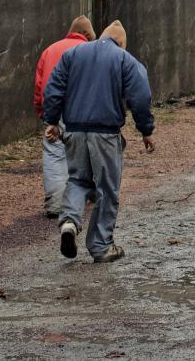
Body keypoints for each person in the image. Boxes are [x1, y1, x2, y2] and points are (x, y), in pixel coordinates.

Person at [43, 20, 155, 264]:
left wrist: (51, 120)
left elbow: (53, 87)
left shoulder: (73, 54)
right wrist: (146, 130)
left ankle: (70, 222)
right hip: (105, 134)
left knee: (77, 180)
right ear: (121, 42)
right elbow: (141, 94)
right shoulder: (124, 59)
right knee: (107, 189)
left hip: (73, 130)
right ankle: (101, 246)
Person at [33, 15, 96, 217]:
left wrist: (44, 113)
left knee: (54, 153)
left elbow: (39, 85)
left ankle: (55, 205)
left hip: (55, 109)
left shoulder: (49, 50)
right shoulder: (89, 52)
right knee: (83, 152)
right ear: (87, 35)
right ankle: (83, 197)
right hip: (80, 110)